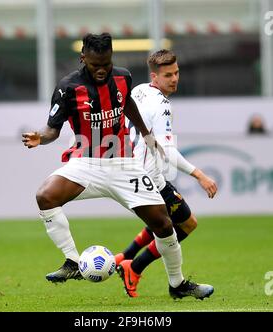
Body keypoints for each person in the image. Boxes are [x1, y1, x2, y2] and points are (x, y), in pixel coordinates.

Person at [22, 33, 213, 300]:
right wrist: (40, 138)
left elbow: (127, 105)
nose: (101, 70)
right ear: (83, 59)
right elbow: (52, 129)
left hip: (124, 163)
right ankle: (73, 262)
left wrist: (146, 135)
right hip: (86, 163)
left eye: (106, 64)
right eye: (94, 65)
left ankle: (178, 284)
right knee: (45, 196)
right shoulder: (68, 88)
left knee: (163, 224)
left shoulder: (123, 78)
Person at [115, 49, 218, 297]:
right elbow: (167, 152)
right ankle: (139, 269)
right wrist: (200, 176)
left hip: (141, 173)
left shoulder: (138, 89)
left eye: (177, 72)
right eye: (168, 75)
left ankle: (126, 257)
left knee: (167, 222)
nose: (175, 79)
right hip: (148, 177)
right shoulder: (162, 105)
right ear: (155, 76)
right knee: (184, 225)